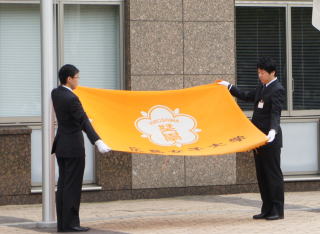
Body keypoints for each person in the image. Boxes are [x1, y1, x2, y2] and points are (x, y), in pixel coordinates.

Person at [218, 57, 285, 220]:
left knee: (273, 174)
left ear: (272, 73)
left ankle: (277, 210)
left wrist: (273, 130)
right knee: (261, 175)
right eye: (259, 73)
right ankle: (266, 208)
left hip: (270, 139)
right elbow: (247, 95)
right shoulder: (262, 87)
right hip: (257, 138)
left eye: (262, 73)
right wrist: (229, 87)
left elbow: (276, 113)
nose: (260, 76)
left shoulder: (277, 89)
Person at [51, 64, 111, 232]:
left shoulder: (56, 93)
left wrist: (82, 120)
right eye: (77, 77)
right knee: (72, 187)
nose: (78, 81)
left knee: (63, 185)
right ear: (69, 79)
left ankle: (63, 224)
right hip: (73, 148)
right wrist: (98, 141)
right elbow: (83, 121)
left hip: (61, 146)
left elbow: (74, 118)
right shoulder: (72, 99)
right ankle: (71, 224)